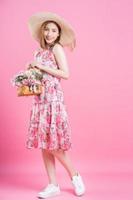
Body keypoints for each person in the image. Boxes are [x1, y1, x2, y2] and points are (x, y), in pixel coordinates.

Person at [26, 12, 85, 198]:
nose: (50, 34)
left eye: (53, 30)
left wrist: (41, 67)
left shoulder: (57, 49)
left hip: (53, 101)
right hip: (40, 101)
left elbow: (65, 73)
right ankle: (53, 185)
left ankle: (75, 176)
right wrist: (30, 73)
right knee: (45, 144)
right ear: (43, 32)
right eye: (47, 30)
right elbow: (41, 76)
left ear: (58, 34)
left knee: (55, 146)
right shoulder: (38, 52)